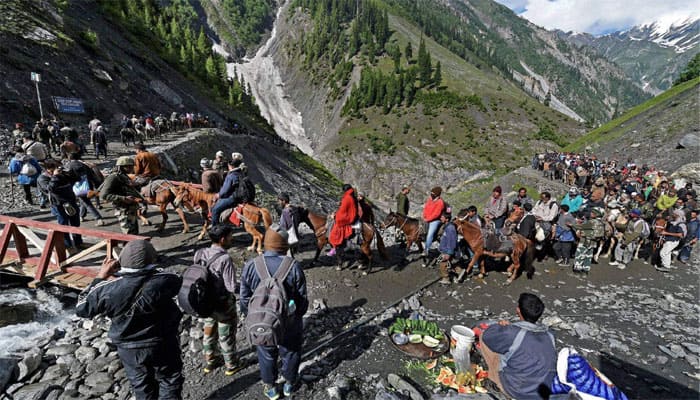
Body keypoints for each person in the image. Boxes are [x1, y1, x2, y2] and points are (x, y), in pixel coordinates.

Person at [76, 240, 184, 400]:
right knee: (169, 380)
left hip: (129, 347)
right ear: (152, 259)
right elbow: (180, 283)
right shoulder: (166, 279)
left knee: (142, 386)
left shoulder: (106, 289)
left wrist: (100, 277)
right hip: (162, 340)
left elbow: (82, 308)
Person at [240, 225, 308, 400]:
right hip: (289, 321)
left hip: (263, 320)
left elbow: (244, 298)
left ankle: (270, 387)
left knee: (266, 352)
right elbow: (302, 300)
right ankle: (289, 384)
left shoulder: (251, 265)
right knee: (291, 350)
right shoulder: (293, 266)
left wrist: (253, 314)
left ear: (266, 243)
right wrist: (298, 314)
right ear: (284, 245)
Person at [478, 293, 556, 400]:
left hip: (516, 391)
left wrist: (500, 326)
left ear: (518, 310)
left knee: (484, 336)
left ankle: (495, 384)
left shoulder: (513, 333)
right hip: (541, 393)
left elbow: (488, 335)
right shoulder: (550, 335)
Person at [193, 225, 244, 375]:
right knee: (226, 333)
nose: (232, 238)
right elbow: (231, 287)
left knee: (208, 331)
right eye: (230, 236)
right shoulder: (225, 258)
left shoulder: (200, 253)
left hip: (205, 302)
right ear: (222, 239)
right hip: (222, 304)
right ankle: (232, 365)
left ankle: (211, 361)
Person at [37, 160, 83, 255]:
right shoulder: (42, 178)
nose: (57, 170)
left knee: (75, 223)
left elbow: (78, 179)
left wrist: (70, 172)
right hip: (58, 204)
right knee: (63, 225)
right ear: (47, 170)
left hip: (70, 201)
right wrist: (55, 176)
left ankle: (78, 243)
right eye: (53, 169)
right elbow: (49, 189)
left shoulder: (63, 174)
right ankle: (68, 245)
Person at [100, 157, 144, 234]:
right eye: (129, 166)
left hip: (131, 209)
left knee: (134, 232)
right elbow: (104, 195)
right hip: (123, 210)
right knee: (128, 233)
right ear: (121, 167)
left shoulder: (124, 176)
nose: (131, 168)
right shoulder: (113, 177)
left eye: (132, 166)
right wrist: (123, 198)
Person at [65, 152, 104, 226]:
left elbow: (68, 177)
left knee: (87, 203)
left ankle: (98, 218)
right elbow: (92, 175)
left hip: (78, 187)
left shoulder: (69, 165)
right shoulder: (84, 165)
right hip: (88, 186)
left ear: (69, 158)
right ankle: (81, 216)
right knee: (84, 201)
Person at [211, 158, 245, 226]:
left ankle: (215, 229)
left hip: (232, 198)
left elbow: (225, 191)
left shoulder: (231, 176)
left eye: (229, 166)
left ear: (231, 166)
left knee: (214, 210)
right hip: (241, 197)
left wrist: (218, 195)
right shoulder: (241, 173)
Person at [328, 184, 359, 256]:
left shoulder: (347, 198)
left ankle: (336, 247)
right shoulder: (352, 196)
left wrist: (335, 216)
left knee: (334, 231)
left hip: (348, 218)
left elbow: (343, 211)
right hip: (353, 216)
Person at [437, 212, 465, 284]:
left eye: (442, 217)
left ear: (446, 219)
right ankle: (460, 271)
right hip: (446, 249)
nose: (440, 218)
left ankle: (446, 279)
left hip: (448, 250)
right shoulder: (447, 227)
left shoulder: (450, 228)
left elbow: (452, 241)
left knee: (443, 264)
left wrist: (449, 253)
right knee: (451, 263)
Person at [422, 186, 446, 262]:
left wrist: (428, 219)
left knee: (430, 234)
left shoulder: (440, 202)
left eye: (432, 193)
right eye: (431, 193)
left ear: (437, 194)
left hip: (435, 220)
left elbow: (436, 214)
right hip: (427, 218)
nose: (431, 194)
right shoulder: (429, 199)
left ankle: (426, 250)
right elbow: (426, 208)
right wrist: (424, 216)